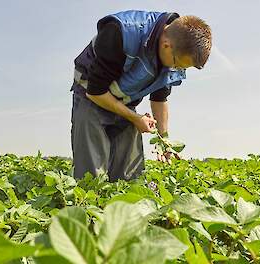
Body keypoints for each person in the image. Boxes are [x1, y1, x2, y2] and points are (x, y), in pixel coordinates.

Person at [70, 10, 212, 181]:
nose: (176, 69)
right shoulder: (120, 32)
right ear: (166, 45)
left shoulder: (172, 54)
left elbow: (160, 98)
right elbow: (95, 92)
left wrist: (164, 139)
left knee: (129, 175)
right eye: (177, 64)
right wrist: (135, 118)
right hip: (91, 94)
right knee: (91, 174)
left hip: (126, 101)